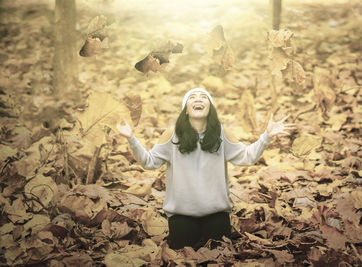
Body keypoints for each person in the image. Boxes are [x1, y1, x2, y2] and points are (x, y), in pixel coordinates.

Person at [116, 87, 296, 250]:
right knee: (183, 255)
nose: (198, 99)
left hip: (216, 214)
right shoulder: (172, 134)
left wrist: (267, 136)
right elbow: (149, 162)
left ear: (210, 108)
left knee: (219, 255)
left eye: (204, 97)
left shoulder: (221, 133)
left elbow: (246, 157)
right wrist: (131, 138)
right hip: (181, 216)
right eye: (192, 97)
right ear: (186, 109)